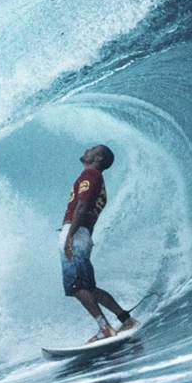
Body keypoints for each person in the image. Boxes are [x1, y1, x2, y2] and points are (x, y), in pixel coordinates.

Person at [60, 144, 138, 343]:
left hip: (76, 233)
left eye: (92, 149)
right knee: (89, 288)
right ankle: (126, 320)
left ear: (98, 158)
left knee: (77, 287)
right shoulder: (99, 182)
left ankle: (105, 329)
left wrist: (70, 236)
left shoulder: (90, 175)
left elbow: (82, 206)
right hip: (84, 234)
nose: (87, 150)